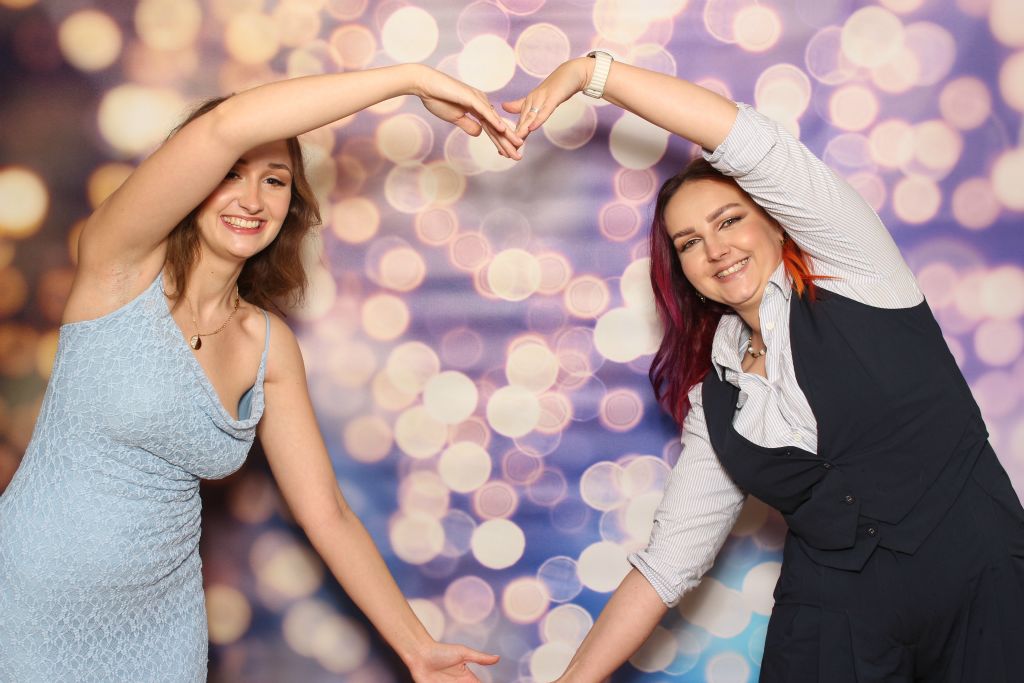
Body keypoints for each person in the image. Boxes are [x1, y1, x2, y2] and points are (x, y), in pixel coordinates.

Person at [504, 55, 1024, 681]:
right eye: (689, 243)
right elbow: (667, 563)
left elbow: (747, 140)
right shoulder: (717, 400)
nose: (715, 248)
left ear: (778, 223)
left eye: (729, 221)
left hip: (986, 585)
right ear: (682, 272)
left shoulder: (858, 271)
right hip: (837, 616)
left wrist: (591, 74)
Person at [0, 65, 522, 682]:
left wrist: (416, 647)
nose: (252, 201)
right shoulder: (118, 269)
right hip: (31, 603)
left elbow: (327, 512)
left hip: (162, 628)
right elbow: (224, 126)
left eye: (274, 180)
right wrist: (408, 78)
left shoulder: (268, 345)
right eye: (230, 174)